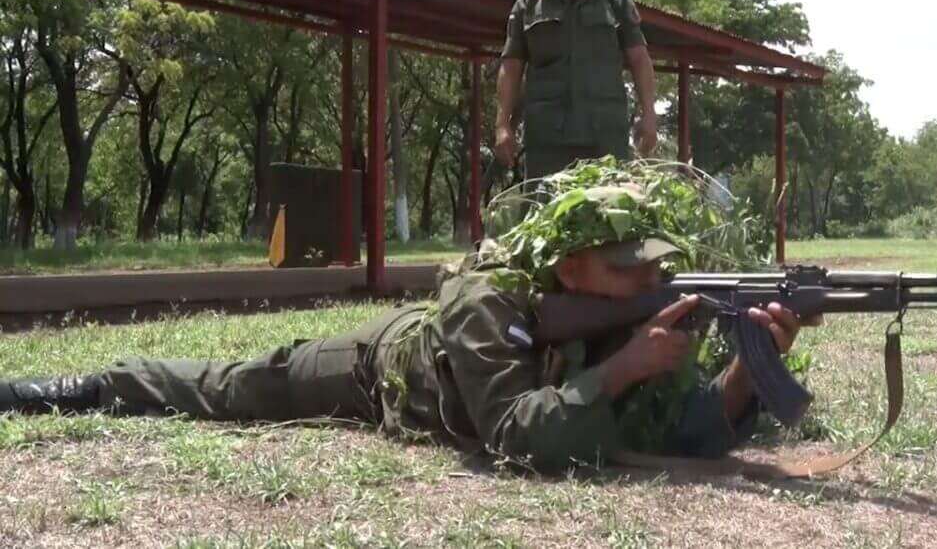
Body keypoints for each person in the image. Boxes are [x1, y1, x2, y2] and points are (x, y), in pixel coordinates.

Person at [0, 184, 814, 474]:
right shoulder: (484, 301)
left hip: (469, 381)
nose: (652, 281)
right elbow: (508, 435)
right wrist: (623, 368)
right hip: (375, 368)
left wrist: (751, 368)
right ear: (568, 270)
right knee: (232, 388)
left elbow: (684, 432)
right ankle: (90, 385)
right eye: (629, 266)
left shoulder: (632, 313)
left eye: (656, 265)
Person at [494, 0, 659, 184]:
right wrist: (502, 125)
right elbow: (511, 68)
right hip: (548, 143)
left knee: (608, 220)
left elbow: (640, 60)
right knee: (545, 221)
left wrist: (649, 115)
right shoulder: (528, 4)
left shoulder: (615, 0)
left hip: (604, 139)